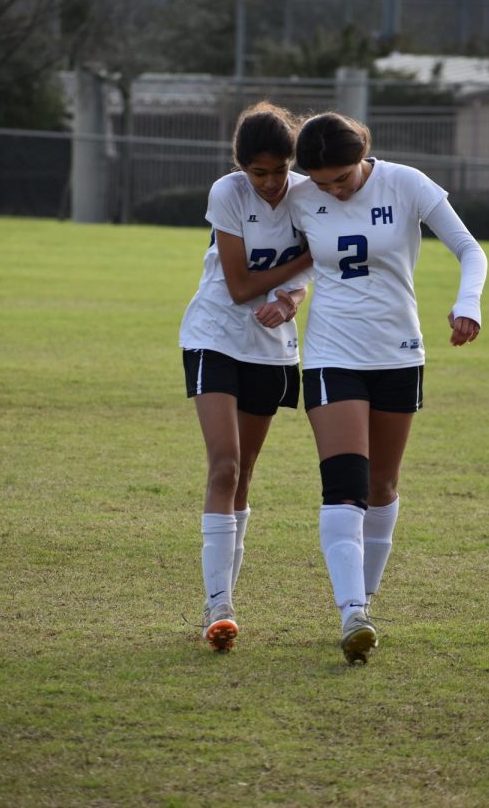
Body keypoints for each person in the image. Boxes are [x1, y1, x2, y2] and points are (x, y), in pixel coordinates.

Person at [289, 112, 487, 665]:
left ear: (363, 154)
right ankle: (351, 610)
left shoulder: (407, 183)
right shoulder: (301, 196)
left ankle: (365, 603)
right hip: (331, 354)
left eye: (343, 178)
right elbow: (303, 262)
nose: (333, 189)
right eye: (323, 182)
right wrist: (288, 294)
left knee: (383, 483)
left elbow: (471, 249)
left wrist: (466, 303)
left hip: (399, 353)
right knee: (345, 480)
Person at [179, 102, 312, 652]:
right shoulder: (227, 193)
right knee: (225, 463)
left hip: (270, 348)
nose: (273, 183)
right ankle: (218, 604)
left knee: (248, 470)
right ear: (242, 168)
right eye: (260, 172)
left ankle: (226, 604)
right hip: (215, 334)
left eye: (281, 170)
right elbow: (237, 286)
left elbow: (305, 280)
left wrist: (293, 300)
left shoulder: (309, 193)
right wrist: (309, 259)